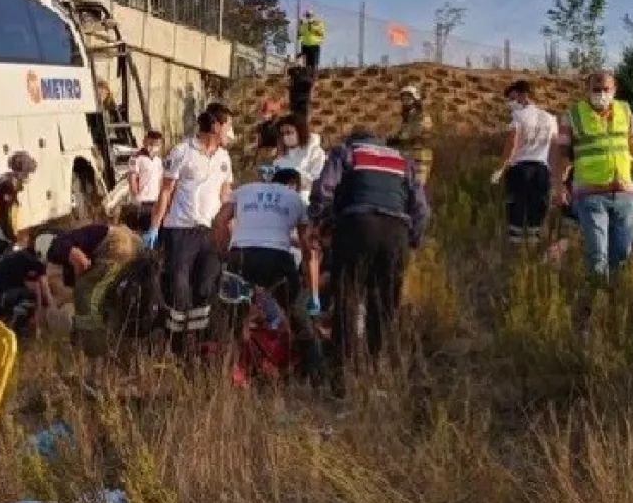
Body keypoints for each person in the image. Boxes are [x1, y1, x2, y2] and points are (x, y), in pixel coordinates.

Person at [309, 126, 430, 398]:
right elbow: (421, 207)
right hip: (395, 232)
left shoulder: (346, 152)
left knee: (347, 299)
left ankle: (343, 375)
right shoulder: (403, 160)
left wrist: (321, 219)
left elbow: (324, 188)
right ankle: (375, 370)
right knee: (385, 304)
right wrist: (412, 240)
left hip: (357, 226)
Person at [213, 166, 325, 381]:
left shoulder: (244, 190)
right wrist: (313, 294)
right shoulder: (296, 199)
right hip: (277, 257)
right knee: (299, 316)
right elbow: (308, 247)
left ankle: (226, 376)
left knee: (233, 320)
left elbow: (219, 222)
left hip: (242, 254)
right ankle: (316, 375)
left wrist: (226, 255)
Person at [144, 104, 236, 344]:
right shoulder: (182, 151)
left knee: (206, 287)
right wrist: (155, 226)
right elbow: (165, 192)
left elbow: (226, 198)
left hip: (212, 233)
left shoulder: (224, 158)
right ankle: (176, 341)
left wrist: (230, 231)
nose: (230, 132)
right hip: (181, 231)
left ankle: (198, 342)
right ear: (216, 126)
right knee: (180, 287)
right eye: (228, 126)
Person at [550, 70, 633, 278]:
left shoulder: (626, 111)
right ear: (587, 90)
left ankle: (614, 296)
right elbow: (562, 154)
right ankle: (597, 300)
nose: (602, 93)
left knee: (623, 252)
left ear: (614, 90)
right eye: (596, 89)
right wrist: (558, 186)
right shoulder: (572, 115)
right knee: (597, 254)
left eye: (606, 89)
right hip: (590, 195)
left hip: (624, 193)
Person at [36, 224, 141, 358]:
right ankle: (109, 338)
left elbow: (82, 262)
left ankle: (95, 349)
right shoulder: (67, 242)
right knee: (102, 296)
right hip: (124, 242)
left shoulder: (57, 247)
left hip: (115, 245)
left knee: (85, 296)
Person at [490, 80, 559, 244]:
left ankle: (515, 248)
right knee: (537, 209)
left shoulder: (518, 116)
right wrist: (555, 175)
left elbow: (511, 145)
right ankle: (533, 247)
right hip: (542, 170)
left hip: (520, 170)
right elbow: (555, 148)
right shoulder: (550, 118)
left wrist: (500, 169)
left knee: (517, 208)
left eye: (513, 98)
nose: (511, 103)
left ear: (524, 95)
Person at [0, 151, 38, 286]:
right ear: (21, 172)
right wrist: (12, 240)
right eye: (28, 173)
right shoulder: (8, 186)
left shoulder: (5, 182)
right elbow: (4, 217)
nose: (28, 177)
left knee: (1, 275)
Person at [0, 247, 53, 340]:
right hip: (5, 296)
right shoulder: (35, 263)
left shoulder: (16, 256)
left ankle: (10, 328)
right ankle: (21, 325)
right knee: (32, 297)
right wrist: (44, 310)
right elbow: (41, 288)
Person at [272, 113, 327, 205]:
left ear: (300, 131)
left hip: (306, 198)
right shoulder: (280, 158)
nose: (285, 137)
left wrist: (295, 176)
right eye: (282, 134)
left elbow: (317, 181)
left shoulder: (316, 152)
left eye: (289, 132)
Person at [386, 85, 434, 188]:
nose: (405, 101)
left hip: (420, 160)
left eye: (408, 98)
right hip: (407, 159)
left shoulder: (422, 116)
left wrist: (397, 139)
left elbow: (418, 133)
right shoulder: (407, 119)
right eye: (403, 99)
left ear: (415, 99)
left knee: (417, 189)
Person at [124, 130, 164, 232]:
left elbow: (160, 180)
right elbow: (132, 178)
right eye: (151, 143)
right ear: (145, 141)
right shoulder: (136, 158)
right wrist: (136, 197)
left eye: (156, 144)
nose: (153, 147)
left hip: (155, 201)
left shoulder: (158, 161)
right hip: (142, 203)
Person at [253, 98, 283, 164]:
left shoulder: (280, 126)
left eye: (267, 112)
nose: (264, 115)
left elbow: (280, 143)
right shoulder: (261, 126)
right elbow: (258, 143)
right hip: (263, 155)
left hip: (274, 155)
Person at [287, 54, 315, 118]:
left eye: (300, 59)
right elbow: (285, 75)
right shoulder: (294, 69)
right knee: (294, 115)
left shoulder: (309, 69)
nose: (298, 61)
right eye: (297, 59)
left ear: (304, 60)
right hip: (295, 97)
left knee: (305, 115)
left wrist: (311, 95)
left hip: (305, 97)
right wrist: (287, 63)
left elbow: (313, 83)